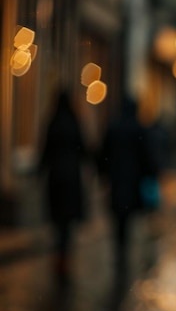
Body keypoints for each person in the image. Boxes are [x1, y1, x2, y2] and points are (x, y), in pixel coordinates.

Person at [98, 96, 158, 287]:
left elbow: (103, 154)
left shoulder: (114, 127)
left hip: (117, 180)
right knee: (128, 216)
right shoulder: (139, 128)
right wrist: (150, 173)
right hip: (132, 181)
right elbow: (147, 156)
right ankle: (124, 249)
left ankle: (119, 249)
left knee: (118, 217)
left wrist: (104, 174)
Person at [39, 90, 87, 282]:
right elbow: (83, 149)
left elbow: (45, 150)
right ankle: (65, 256)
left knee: (58, 220)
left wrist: (40, 171)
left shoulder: (52, 123)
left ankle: (59, 255)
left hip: (56, 179)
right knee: (67, 222)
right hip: (71, 179)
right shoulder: (74, 123)